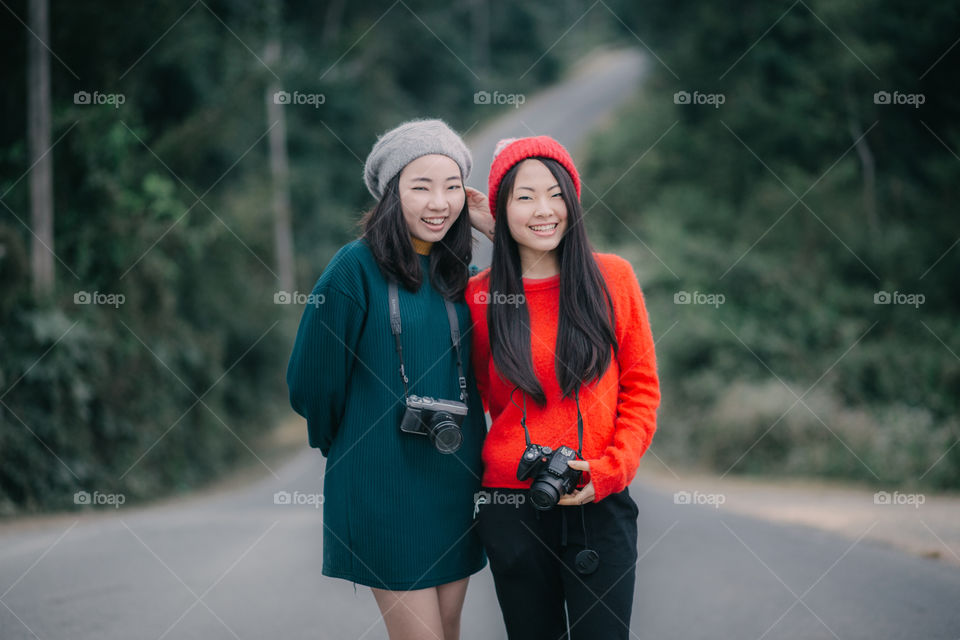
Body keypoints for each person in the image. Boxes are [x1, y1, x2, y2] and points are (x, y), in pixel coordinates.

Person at [286, 119, 493, 640]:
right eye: (420, 186)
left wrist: (496, 230)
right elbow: (311, 383)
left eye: (451, 187)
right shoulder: (352, 270)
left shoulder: (461, 277)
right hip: (383, 484)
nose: (438, 202)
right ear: (390, 193)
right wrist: (358, 444)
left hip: (453, 482)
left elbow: (557, 294)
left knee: (448, 630)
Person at [466, 136, 660, 639]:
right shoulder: (481, 296)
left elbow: (640, 390)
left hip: (598, 498)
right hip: (511, 507)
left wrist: (610, 470)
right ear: (500, 207)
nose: (544, 210)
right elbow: (486, 395)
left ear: (573, 200)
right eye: (524, 197)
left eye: (555, 194)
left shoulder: (612, 279)